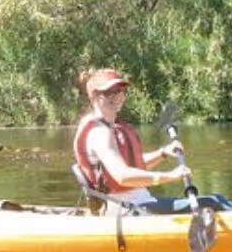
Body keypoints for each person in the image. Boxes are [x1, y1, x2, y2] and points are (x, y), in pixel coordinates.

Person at [73, 68, 192, 214]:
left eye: (120, 90)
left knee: (216, 202)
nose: (117, 96)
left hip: (138, 203)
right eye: (109, 91)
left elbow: (132, 164)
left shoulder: (112, 126)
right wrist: (169, 176)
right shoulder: (99, 133)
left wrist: (162, 154)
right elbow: (123, 176)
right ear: (94, 97)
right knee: (212, 204)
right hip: (121, 209)